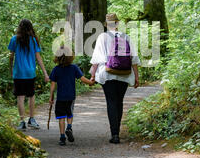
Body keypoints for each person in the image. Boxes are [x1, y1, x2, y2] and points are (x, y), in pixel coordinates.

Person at [90, 13, 140, 144]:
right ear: (117, 24)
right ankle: (117, 131)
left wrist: (92, 75)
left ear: (106, 24)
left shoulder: (102, 37)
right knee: (119, 102)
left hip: (107, 74)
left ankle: (115, 134)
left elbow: (97, 58)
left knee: (111, 102)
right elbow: (134, 59)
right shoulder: (126, 37)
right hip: (124, 74)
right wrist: (136, 77)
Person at [8, 19, 49, 130]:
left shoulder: (14, 39)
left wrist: (11, 69)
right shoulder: (33, 40)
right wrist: (45, 73)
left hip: (18, 73)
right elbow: (38, 57)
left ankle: (22, 122)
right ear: (30, 28)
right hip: (30, 73)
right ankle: (32, 119)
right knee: (31, 96)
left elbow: (11, 56)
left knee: (20, 98)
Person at [49, 46, 94, 146]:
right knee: (69, 113)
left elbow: (52, 85)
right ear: (70, 57)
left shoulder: (56, 69)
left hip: (60, 97)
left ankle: (62, 137)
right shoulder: (74, 68)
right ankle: (69, 127)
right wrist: (90, 82)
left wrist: (51, 97)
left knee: (61, 117)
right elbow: (82, 79)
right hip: (71, 96)